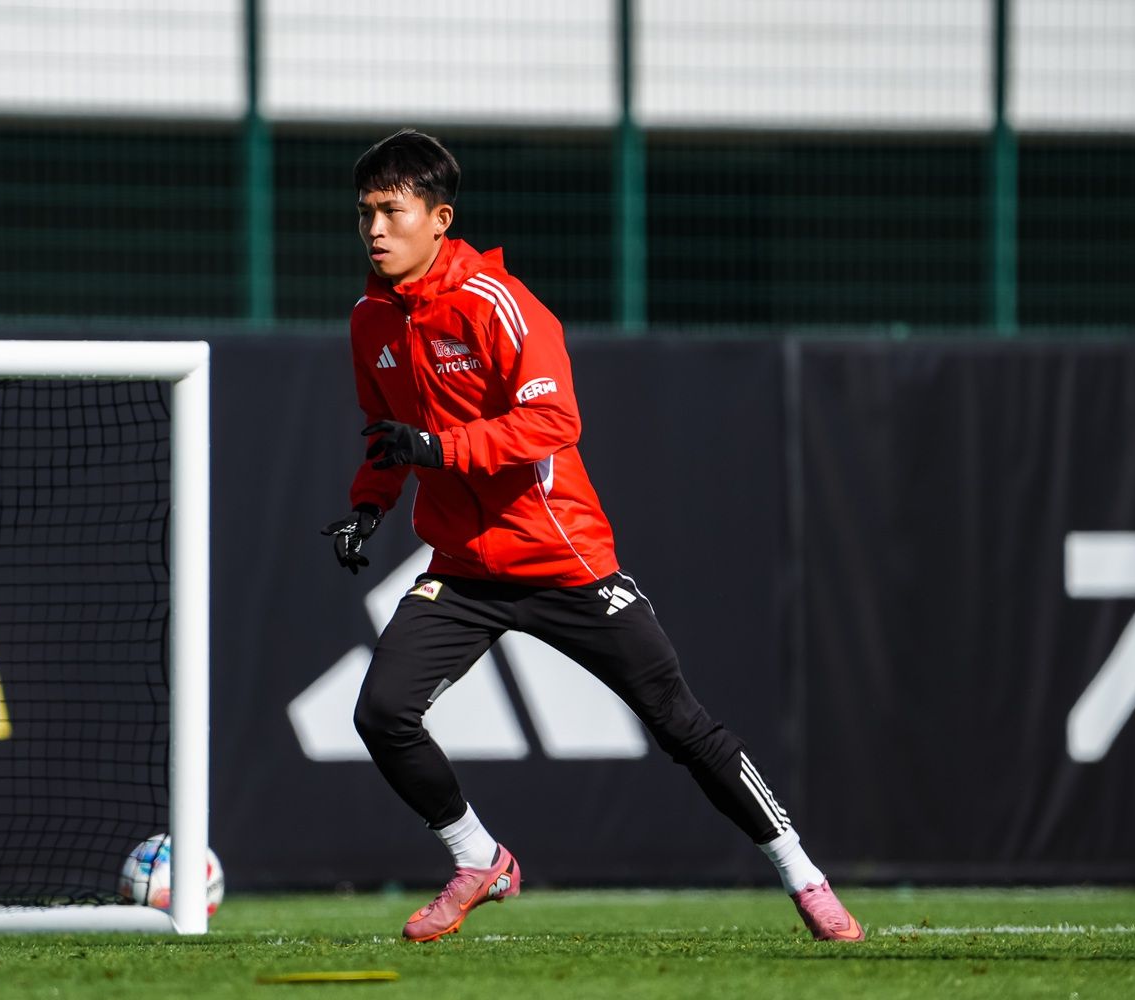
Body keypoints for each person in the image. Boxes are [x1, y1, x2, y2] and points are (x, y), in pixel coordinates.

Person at [322, 128, 863, 944]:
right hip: (464, 571)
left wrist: (441, 448)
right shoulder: (371, 319)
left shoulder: (499, 303)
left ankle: (805, 877)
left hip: (562, 561)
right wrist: (369, 507)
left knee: (681, 724)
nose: (374, 229)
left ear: (440, 219)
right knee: (382, 712)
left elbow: (553, 420)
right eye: (365, 212)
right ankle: (479, 859)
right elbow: (386, 435)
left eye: (392, 211)